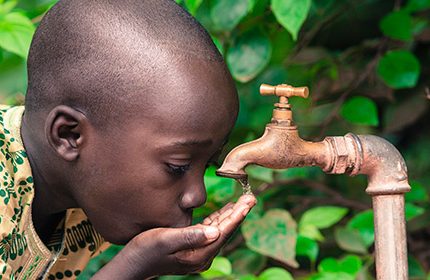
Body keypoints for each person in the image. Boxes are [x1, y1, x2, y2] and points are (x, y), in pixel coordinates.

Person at [0, 0, 257, 279]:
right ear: (69, 135)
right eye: (177, 166)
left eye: (207, 164)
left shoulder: (85, 197)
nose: (198, 195)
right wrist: (133, 266)